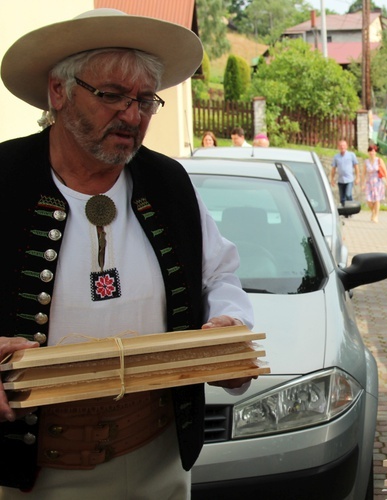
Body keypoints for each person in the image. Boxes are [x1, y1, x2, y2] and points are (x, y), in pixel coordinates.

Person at [0, 8, 255, 497]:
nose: (133, 116)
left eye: (144, 100)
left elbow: (219, 276)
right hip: (28, 476)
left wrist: (228, 326)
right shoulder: (3, 179)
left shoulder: (170, 184)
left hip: (156, 464)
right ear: (58, 91)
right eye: (112, 95)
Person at [361, 145, 387, 223]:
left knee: (377, 200)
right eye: (370, 151)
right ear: (368, 152)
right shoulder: (366, 162)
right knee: (368, 200)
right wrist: (362, 184)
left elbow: (385, 172)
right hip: (369, 182)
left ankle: (376, 216)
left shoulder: (379, 160)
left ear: (376, 152)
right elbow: (363, 174)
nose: (372, 153)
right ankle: (373, 212)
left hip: (378, 182)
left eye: (373, 151)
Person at [329, 139, 359, 207]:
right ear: (338, 147)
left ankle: (351, 208)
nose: (342, 147)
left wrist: (357, 178)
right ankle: (345, 213)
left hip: (349, 180)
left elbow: (356, 167)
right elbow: (333, 168)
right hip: (341, 180)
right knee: (342, 198)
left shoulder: (351, 155)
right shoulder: (336, 157)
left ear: (346, 146)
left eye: (343, 145)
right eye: (341, 146)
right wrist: (332, 179)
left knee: (348, 195)